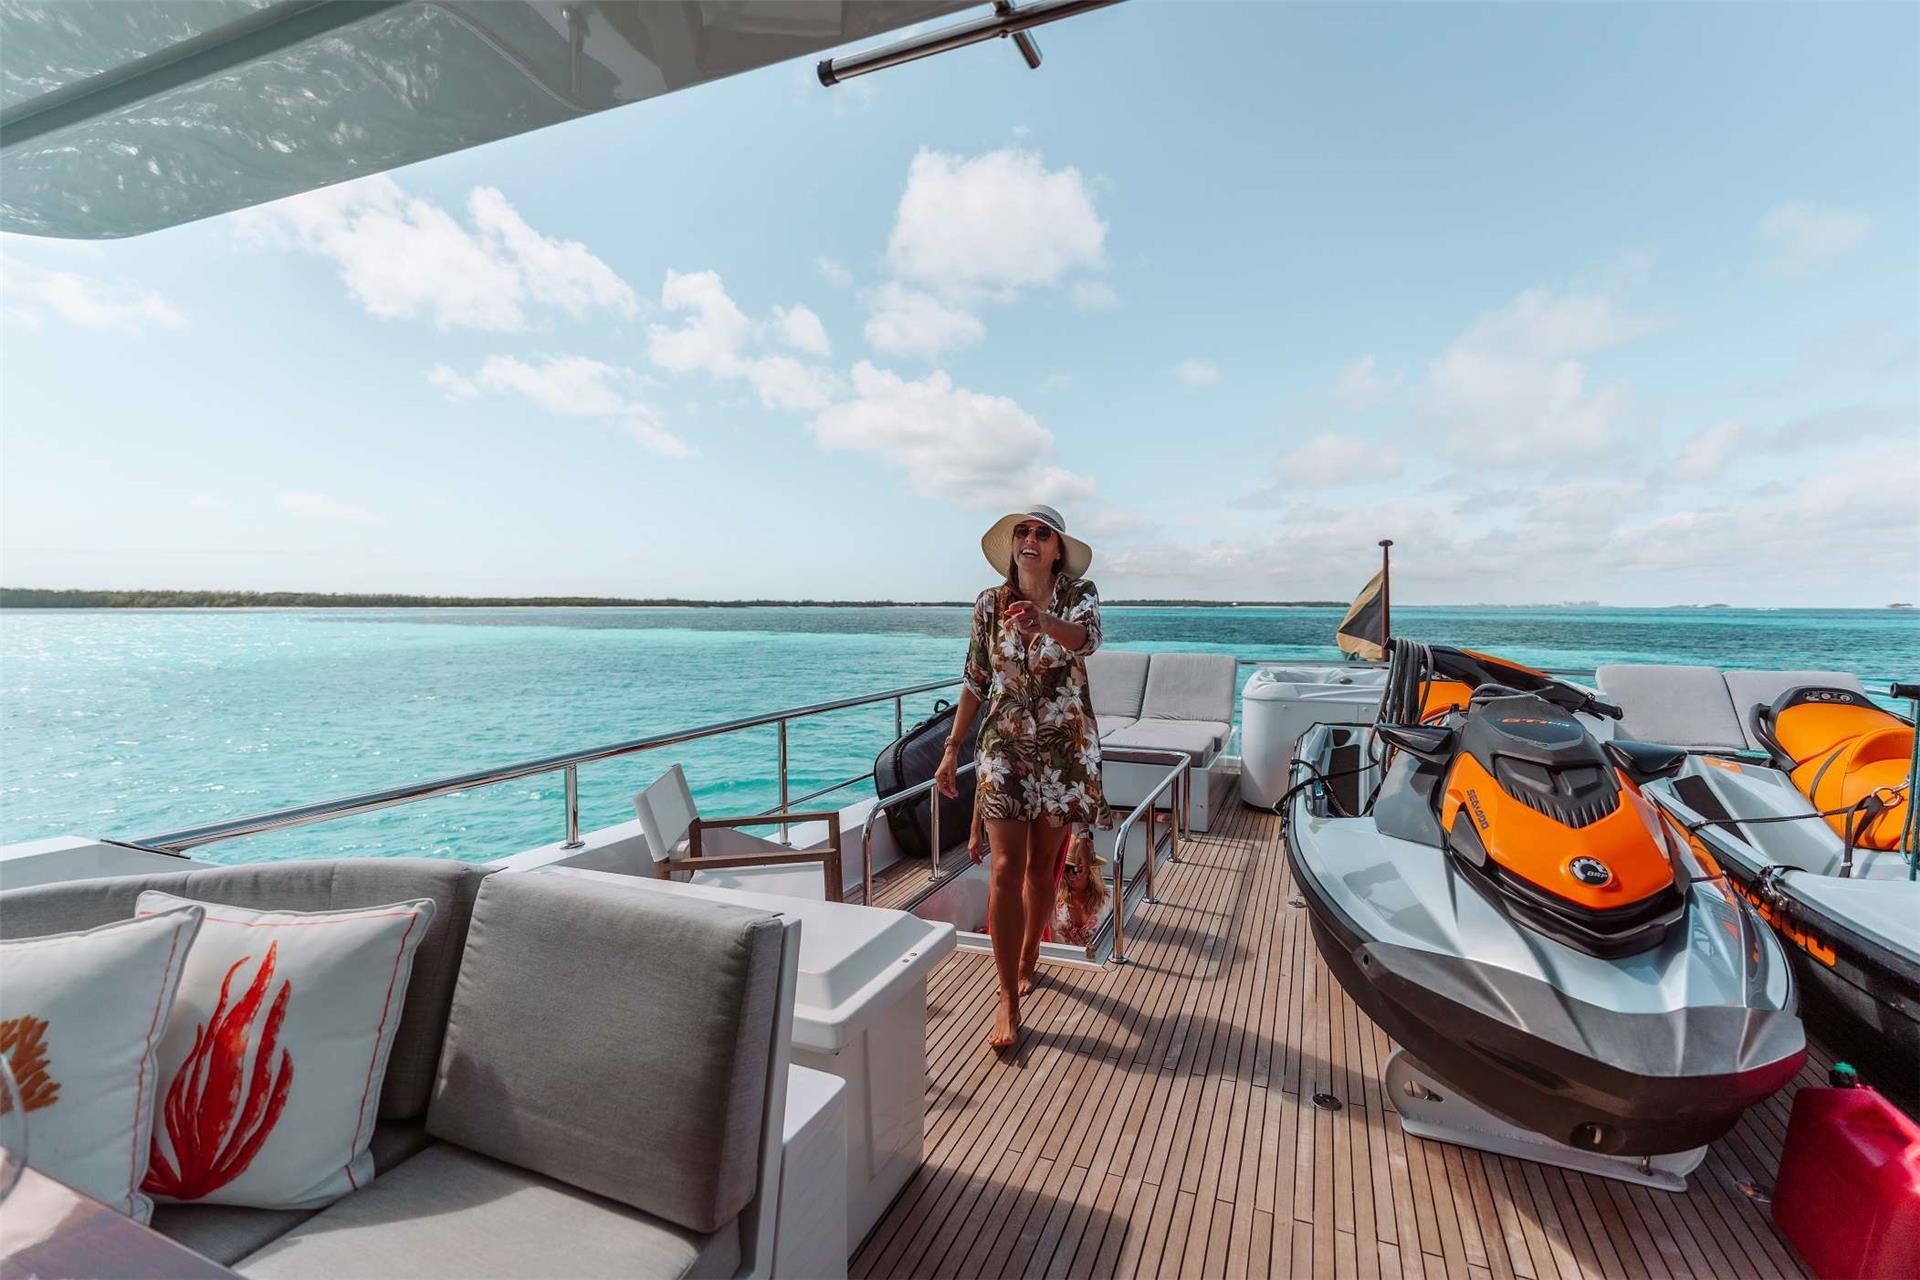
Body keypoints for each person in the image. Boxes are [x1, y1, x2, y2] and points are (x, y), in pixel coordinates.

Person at [935, 504, 1105, 1051]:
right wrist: (951, 749)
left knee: (1039, 870)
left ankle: (1031, 953)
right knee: (1006, 868)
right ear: (1013, 545)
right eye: (1023, 531)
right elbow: (975, 679)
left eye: (1042, 533)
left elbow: (1087, 639)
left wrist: (1044, 622)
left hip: (1062, 751)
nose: (1031, 539)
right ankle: (1006, 995)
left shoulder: (1078, 594)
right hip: (1004, 747)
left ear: (1057, 550)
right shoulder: (989, 604)